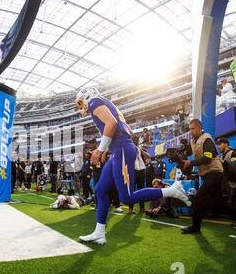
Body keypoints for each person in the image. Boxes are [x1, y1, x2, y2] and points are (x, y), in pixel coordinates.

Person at [75, 87, 191, 245]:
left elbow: (111, 123)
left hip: (121, 149)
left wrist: (100, 149)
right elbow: (129, 131)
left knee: (126, 197)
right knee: (100, 189)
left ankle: (171, 190)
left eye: (82, 102)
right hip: (120, 149)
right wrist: (130, 150)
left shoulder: (95, 102)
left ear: (88, 96)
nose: (82, 106)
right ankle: (99, 233)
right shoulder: (108, 103)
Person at [181, 119, 224, 234]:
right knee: (219, 202)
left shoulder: (207, 139)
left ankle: (195, 227)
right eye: (190, 129)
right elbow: (188, 153)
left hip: (214, 173)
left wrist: (190, 163)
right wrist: (182, 154)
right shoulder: (192, 141)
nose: (191, 131)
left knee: (198, 198)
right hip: (206, 175)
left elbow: (207, 158)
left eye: (193, 128)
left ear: (200, 128)